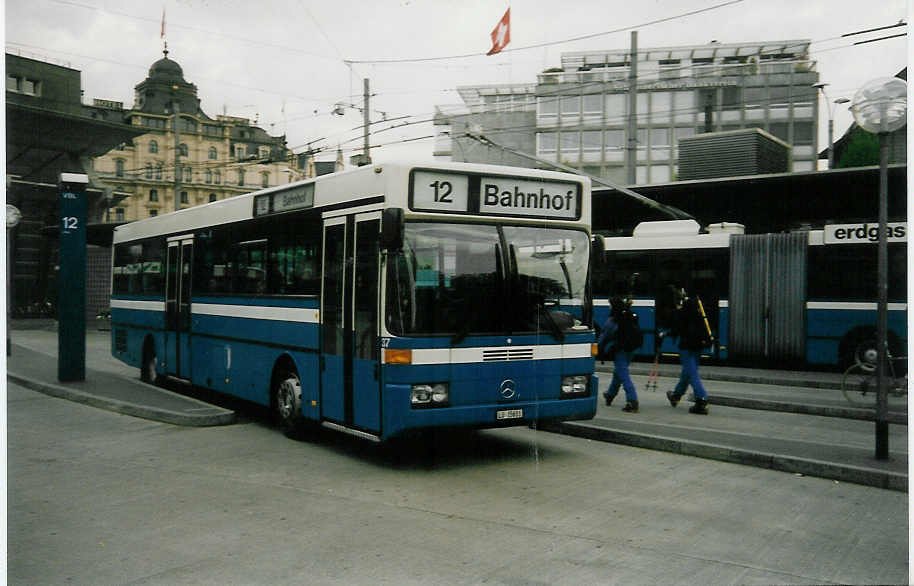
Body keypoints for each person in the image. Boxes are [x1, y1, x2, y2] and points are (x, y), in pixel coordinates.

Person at [665, 289, 712, 414]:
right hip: (698, 346)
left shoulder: (681, 314)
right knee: (688, 371)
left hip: (686, 346)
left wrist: (664, 334)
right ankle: (676, 395)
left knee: (691, 373)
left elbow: (675, 330)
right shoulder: (697, 313)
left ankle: (701, 399)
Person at [597, 296, 641, 413]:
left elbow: (604, 338)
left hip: (620, 350)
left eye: (610, 305)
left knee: (623, 375)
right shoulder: (629, 315)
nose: (609, 307)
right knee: (619, 372)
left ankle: (632, 400)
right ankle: (610, 394)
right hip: (631, 349)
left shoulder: (613, 320)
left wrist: (598, 350)